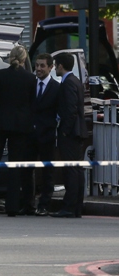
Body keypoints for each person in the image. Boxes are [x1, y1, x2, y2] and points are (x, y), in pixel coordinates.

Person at [0, 46, 36, 217]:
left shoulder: (1, 75)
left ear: (10, 58)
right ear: (24, 60)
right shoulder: (30, 78)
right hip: (20, 126)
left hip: (0, 124)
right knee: (15, 165)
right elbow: (33, 104)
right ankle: (12, 206)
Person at [20, 53, 60, 216]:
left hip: (47, 135)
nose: (38, 69)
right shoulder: (30, 84)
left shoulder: (56, 88)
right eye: (37, 65)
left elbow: (59, 110)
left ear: (51, 67)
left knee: (47, 172)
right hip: (29, 134)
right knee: (26, 170)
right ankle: (28, 204)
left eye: (42, 66)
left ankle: (44, 204)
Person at [50, 52, 87, 218]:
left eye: (55, 65)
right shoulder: (76, 81)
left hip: (70, 133)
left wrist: (64, 130)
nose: (55, 68)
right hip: (77, 132)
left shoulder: (68, 83)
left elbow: (70, 110)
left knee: (71, 170)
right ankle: (76, 206)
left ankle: (70, 206)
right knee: (76, 169)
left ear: (60, 66)